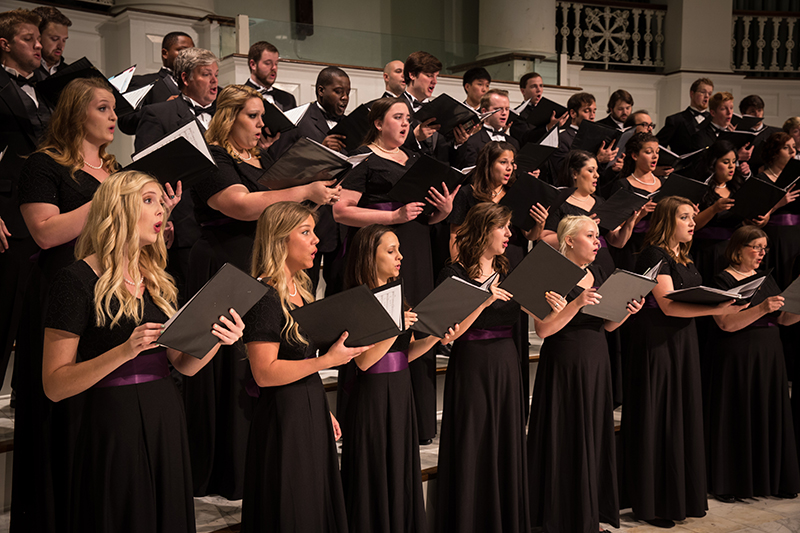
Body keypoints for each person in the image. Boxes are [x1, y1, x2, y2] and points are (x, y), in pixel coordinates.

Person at [15, 76, 180, 533]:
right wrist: (112, 200)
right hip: (71, 288)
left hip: (124, 281)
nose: (114, 117)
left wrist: (155, 218)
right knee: (68, 420)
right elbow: (45, 232)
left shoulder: (115, 167)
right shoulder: (44, 166)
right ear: (74, 113)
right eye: (104, 108)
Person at [41, 169, 244, 532]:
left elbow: (185, 366)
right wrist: (124, 350)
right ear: (117, 209)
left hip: (165, 414)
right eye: (148, 200)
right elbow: (54, 385)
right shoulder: (74, 281)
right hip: (110, 422)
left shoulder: (157, 281)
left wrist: (217, 337)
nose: (161, 211)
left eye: (160, 203)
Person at [184, 83, 339, 500]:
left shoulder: (262, 158)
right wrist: (304, 191)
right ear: (228, 117)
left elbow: (275, 207)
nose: (260, 124)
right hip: (225, 262)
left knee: (256, 357)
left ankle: (252, 459)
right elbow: (240, 205)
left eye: (261, 117)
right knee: (223, 364)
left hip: (258, 262)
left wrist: (315, 198)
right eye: (251, 116)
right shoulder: (212, 157)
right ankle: (221, 469)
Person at [333, 96, 458, 443]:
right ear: (377, 122)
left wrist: (442, 212)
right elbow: (341, 211)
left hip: (415, 250)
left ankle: (413, 421)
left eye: (407, 118)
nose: (404, 124)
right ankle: (370, 418)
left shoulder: (417, 159)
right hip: (376, 253)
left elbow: (424, 214)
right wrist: (391, 217)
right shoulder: (363, 158)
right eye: (397, 117)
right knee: (381, 326)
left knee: (414, 325)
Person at [240, 201, 370, 533]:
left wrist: (320, 409)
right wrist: (326, 361)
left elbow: (299, 363)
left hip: (307, 407)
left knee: (315, 503)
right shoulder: (264, 296)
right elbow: (264, 373)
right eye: (306, 232)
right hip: (282, 418)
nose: (316, 240)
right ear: (280, 239)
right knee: (293, 507)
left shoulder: (302, 291)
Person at [623, 196, 737, 529]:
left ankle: (680, 495)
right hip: (658, 342)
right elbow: (669, 305)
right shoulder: (654, 254)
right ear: (667, 221)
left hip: (682, 342)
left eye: (692, 217)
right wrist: (719, 309)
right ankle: (652, 501)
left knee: (681, 415)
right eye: (684, 217)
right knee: (659, 416)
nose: (692, 222)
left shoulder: (683, 256)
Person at [529, 215, 642, 533]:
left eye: (597, 237)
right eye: (591, 236)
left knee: (592, 435)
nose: (598, 242)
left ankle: (588, 516)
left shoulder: (598, 272)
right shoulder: (552, 273)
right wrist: (575, 304)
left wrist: (624, 312)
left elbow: (606, 324)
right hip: (565, 362)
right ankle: (562, 518)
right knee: (566, 435)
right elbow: (544, 330)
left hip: (596, 360)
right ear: (569, 241)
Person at [340, 224, 455, 533]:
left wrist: (434, 338)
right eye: (391, 251)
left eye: (398, 250)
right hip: (373, 395)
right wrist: (392, 327)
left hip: (402, 390)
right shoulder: (357, 300)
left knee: (400, 469)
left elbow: (404, 353)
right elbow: (364, 362)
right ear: (369, 256)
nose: (400, 256)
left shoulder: (398, 294)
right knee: (374, 470)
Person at [435, 202, 529, 533]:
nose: (508, 233)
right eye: (502, 227)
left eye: (509, 227)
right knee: (473, 442)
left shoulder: (512, 269)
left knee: (504, 442)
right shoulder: (453, 273)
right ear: (483, 230)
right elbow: (451, 334)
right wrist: (484, 299)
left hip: (505, 363)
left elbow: (535, 321)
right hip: (472, 364)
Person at [448, 140, 548, 416]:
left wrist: (539, 223)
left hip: (511, 261)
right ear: (488, 163)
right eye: (503, 162)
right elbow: (456, 235)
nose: (509, 168)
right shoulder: (469, 193)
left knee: (510, 330)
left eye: (512, 163)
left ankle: (511, 403)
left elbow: (529, 236)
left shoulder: (517, 192)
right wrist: (463, 269)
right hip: (476, 264)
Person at [706, 226, 800, 503]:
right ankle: (734, 482)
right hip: (739, 356)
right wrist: (761, 308)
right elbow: (725, 323)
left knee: (768, 412)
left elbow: (783, 319)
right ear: (738, 249)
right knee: (740, 414)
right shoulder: (722, 280)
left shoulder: (764, 278)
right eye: (756, 247)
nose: (761, 253)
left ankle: (771, 478)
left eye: (764, 248)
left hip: (769, 355)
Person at [0, 8, 54, 437]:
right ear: (4, 45)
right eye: (27, 39)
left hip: (46, 213)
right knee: (4, 313)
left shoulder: (46, 89)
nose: (39, 45)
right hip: (8, 217)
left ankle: (28, 395)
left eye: (40, 39)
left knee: (37, 310)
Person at [268, 65, 352, 293]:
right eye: (338, 91)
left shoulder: (351, 124)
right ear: (320, 91)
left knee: (340, 290)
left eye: (348, 92)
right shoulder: (298, 120)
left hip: (340, 222)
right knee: (305, 287)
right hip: (307, 217)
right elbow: (279, 167)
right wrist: (319, 151)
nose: (344, 97)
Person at [690, 140, 746, 283]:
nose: (731, 166)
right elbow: (692, 225)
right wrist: (714, 209)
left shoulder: (739, 187)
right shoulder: (699, 188)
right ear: (713, 163)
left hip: (733, 251)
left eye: (734, 161)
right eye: (726, 162)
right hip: (705, 250)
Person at [117, 31, 195, 135]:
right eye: (182, 50)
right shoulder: (142, 82)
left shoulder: (201, 86)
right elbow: (126, 122)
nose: (189, 56)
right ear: (165, 53)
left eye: (192, 51)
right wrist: (162, 108)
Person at [605, 132, 662, 271]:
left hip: (658, 246)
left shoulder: (664, 183)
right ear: (635, 155)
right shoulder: (623, 185)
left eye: (657, 152)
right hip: (632, 249)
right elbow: (615, 228)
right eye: (649, 152)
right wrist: (640, 215)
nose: (655, 156)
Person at [755, 131, 800, 288]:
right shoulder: (761, 180)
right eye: (786, 147)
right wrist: (778, 203)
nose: (793, 152)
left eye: (794, 147)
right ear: (774, 153)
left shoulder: (796, 178)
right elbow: (756, 216)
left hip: (796, 233)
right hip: (775, 237)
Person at [548, 92, 617, 185]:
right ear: (573, 113)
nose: (592, 116)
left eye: (594, 111)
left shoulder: (598, 138)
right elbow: (563, 172)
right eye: (587, 111)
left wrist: (613, 167)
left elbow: (602, 176)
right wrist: (597, 160)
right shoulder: (562, 138)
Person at [453, 89, 519, 169]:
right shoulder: (473, 142)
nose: (504, 113)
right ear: (484, 111)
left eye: (507, 109)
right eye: (498, 109)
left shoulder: (514, 143)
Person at [657, 77, 714, 155]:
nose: (707, 96)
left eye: (709, 94)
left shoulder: (713, 119)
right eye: (703, 92)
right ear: (692, 94)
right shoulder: (676, 120)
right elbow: (658, 146)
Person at [509, 71, 567, 147]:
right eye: (534, 86)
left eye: (541, 86)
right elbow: (525, 139)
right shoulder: (518, 114)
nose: (539, 90)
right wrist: (548, 126)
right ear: (523, 91)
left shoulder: (548, 110)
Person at [245, 41, 296, 111]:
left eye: (276, 64)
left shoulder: (288, 99)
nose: (274, 68)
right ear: (253, 64)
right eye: (268, 63)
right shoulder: (239, 96)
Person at [32, 6, 70, 77]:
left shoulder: (70, 73)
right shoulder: (24, 68)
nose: (60, 46)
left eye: (64, 40)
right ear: (38, 36)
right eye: (54, 39)